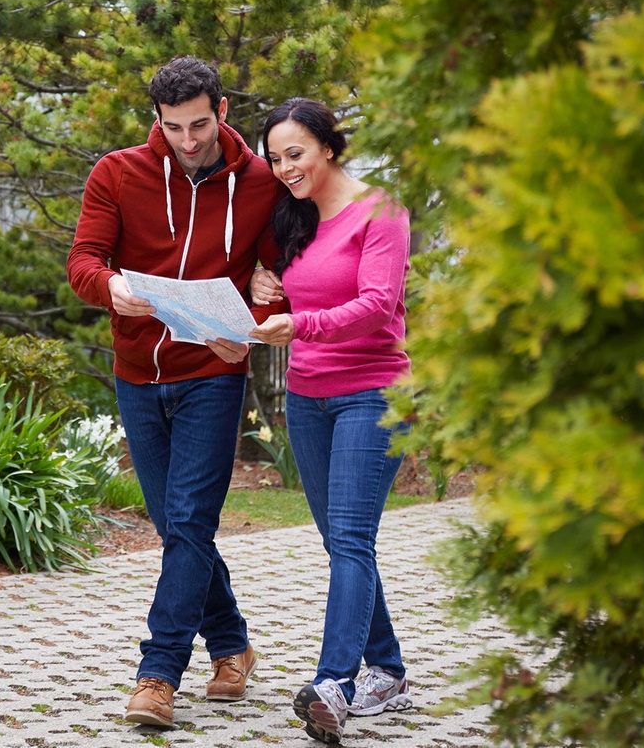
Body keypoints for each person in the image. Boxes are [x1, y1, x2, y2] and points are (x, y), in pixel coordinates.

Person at [66, 56, 284, 728]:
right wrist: (113, 290)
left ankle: (157, 673)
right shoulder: (117, 172)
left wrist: (266, 288)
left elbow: (283, 266)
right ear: (155, 119)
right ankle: (232, 644)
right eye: (173, 127)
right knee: (176, 527)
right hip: (137, 375)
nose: (187, 141)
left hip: (213, 372)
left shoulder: (259, 183)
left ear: (220, 111)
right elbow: (83, 263)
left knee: (189, 523)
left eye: (198, 124)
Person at [248, 97, 414, 744]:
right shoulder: (297, 220)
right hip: (307, 399)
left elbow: (376, 305)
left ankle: (333, 683)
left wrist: (298, 323)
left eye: (296, 153)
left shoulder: (382, 210)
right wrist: (272, 293)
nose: (285, 167)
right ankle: (389, 671)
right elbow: (305, 296)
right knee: (343, 543)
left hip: (371, 395)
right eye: (276, 157)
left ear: (327, 146)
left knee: (348, 540)